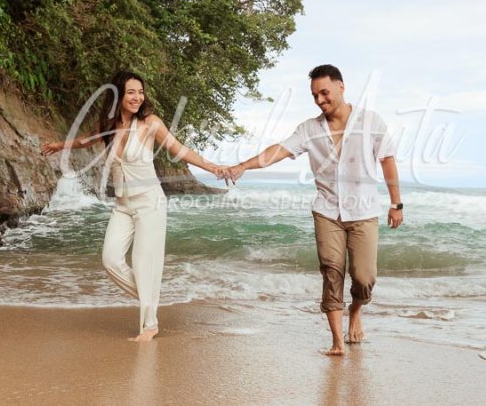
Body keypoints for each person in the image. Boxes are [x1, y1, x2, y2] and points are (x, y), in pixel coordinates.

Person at [223, 64, 403, 355]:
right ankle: (336, 340)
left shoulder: (371, 122)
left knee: (364, 277)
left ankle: (355, 312)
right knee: (331, 271)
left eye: (324, 93)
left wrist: (396, 203)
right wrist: (243, 165)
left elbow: (388, 161)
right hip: (327, 211)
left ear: (341, 87)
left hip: (364, 212)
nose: (320, 100)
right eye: (315, 95)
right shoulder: (309, 129)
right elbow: (278, 150)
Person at [42, 70, 222, 342]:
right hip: (123, 206)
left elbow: (179, 149)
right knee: (110, 260)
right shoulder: (109, 126)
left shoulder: (150, 123)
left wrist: (211, 167)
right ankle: (150, 299)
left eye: (140, 92)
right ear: (118, 95)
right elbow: (84, 141)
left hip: (150, 203)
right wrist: (59, 145)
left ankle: (149, 325)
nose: (138, 97)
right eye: (131, 92)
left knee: (142, 262)